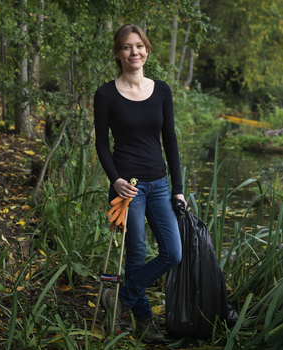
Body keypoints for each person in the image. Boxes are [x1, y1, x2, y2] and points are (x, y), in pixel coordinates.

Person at [93, 23, 186, 344]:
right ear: (118, 53)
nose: (135, 52)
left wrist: (178, 188)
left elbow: (170, 138)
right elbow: (102, 144)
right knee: (134, 257)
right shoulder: (105, 94)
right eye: (127, 47)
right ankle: (145, 323)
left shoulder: (161, 90)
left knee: (173, 253)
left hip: (159, 184)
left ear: (147, 49)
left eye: (140, 46)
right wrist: (115, 180)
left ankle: (118, 298)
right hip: (127, 188)